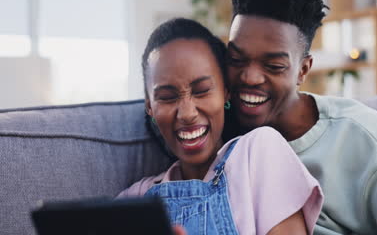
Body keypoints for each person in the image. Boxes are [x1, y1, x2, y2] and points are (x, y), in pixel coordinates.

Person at [223, 0, 377, 235]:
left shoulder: (357, 133)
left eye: (274, 66)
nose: (250, 77)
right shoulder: (215, 128)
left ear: (303, 70)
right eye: (236, 59)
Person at [117, 18, 323, 234]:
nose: (187, 113)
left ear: (225, 91)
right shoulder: (136, 200)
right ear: (150, 106)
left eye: (202, 90)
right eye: (167, 97)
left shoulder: (258, 152)